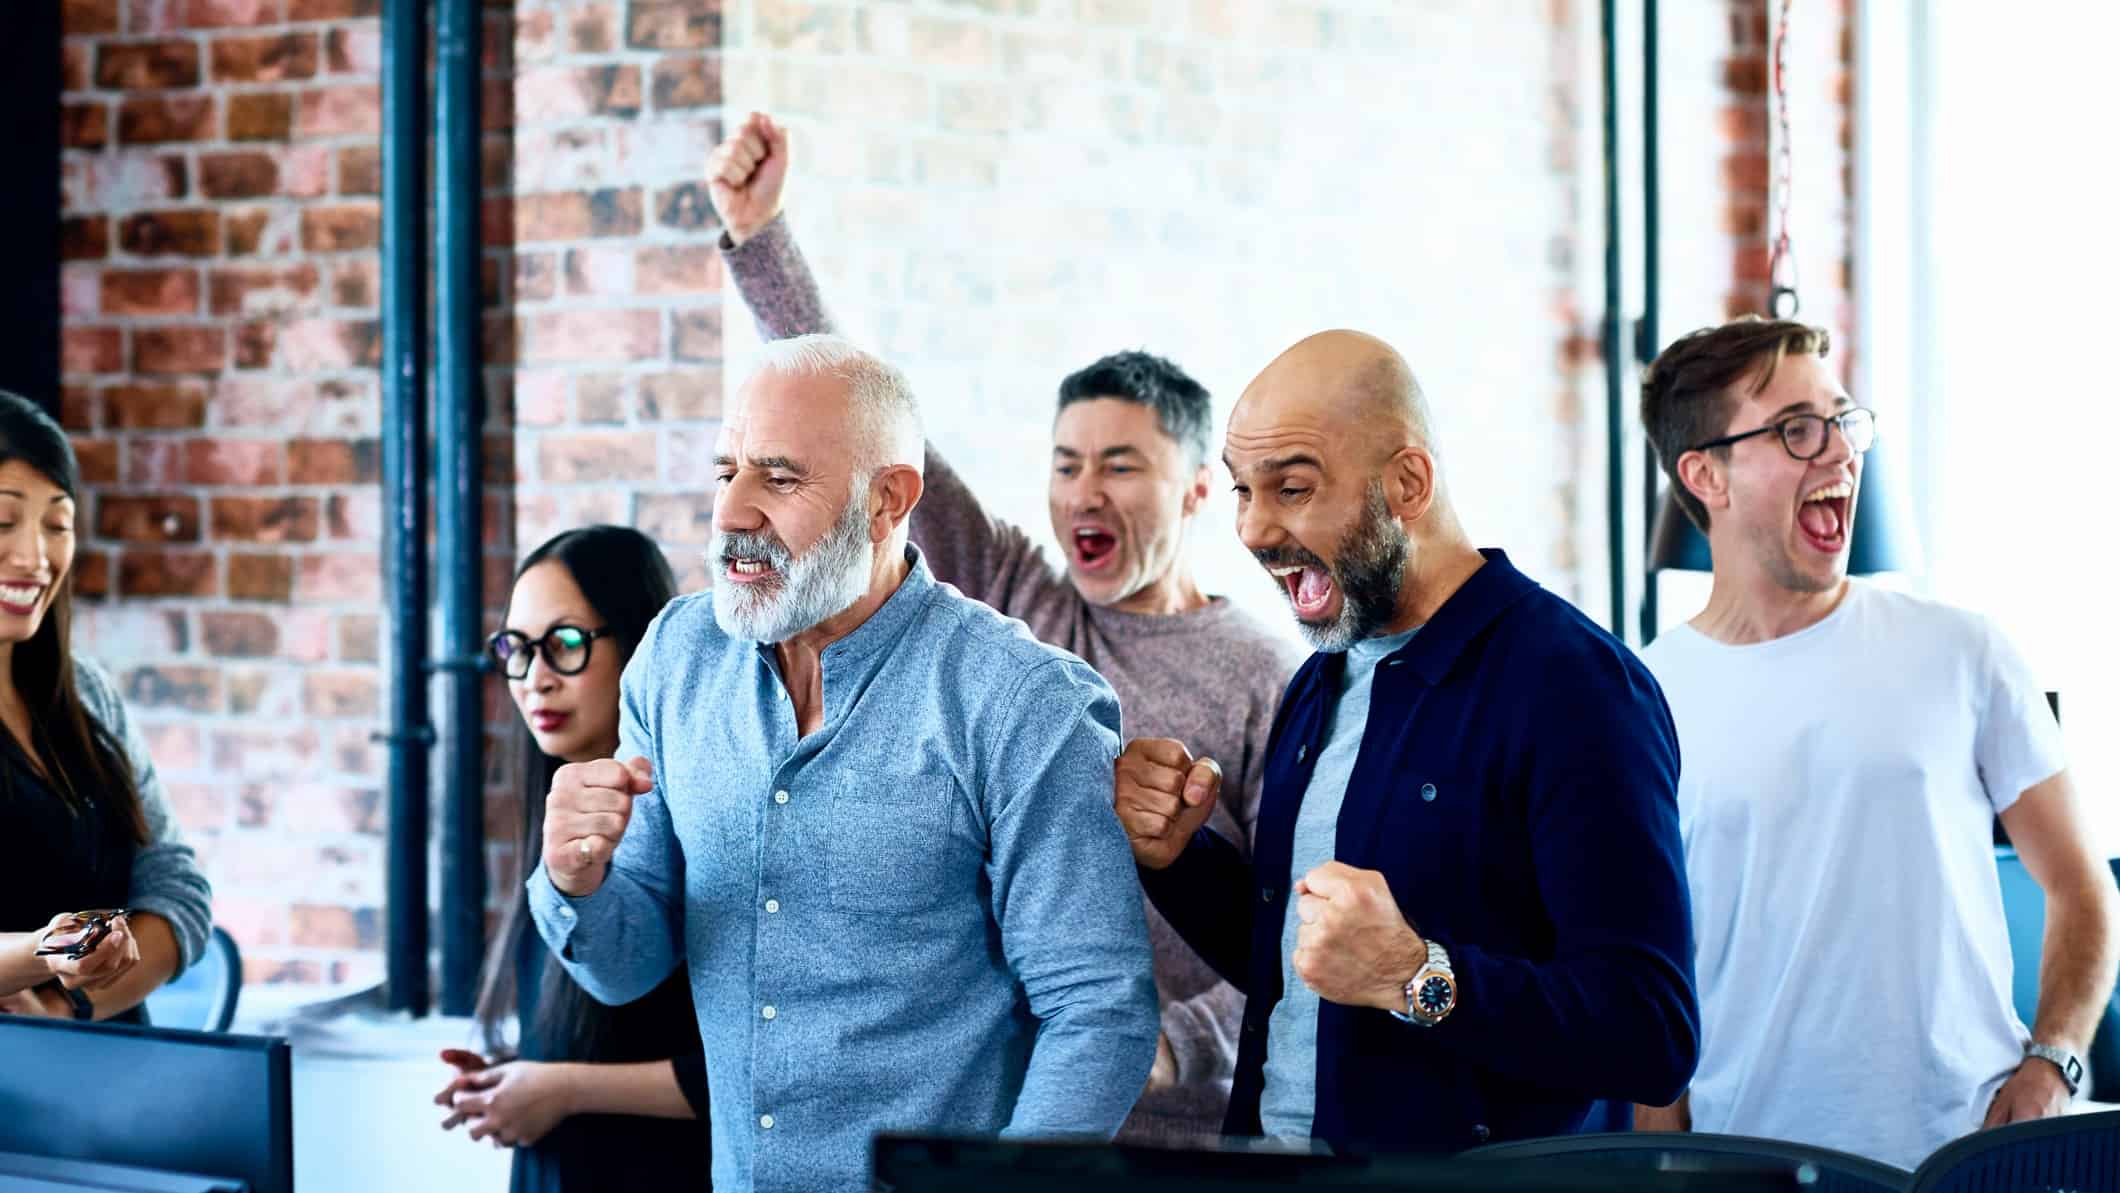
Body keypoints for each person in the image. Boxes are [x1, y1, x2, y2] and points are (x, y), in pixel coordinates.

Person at [705, 112, 1303, 1140]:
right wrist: (761, 239)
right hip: (1007, 1117)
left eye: (1119, 464)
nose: (1083, 488)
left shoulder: (1265, 675)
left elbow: (1295, 940)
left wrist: (1170, 1043)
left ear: (1199, 488)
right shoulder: (1017, 594)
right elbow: (862, 436)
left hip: (1186, 1135)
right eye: (1065, 462)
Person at [527, 336, 1159, 1193]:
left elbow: (1098, 1011)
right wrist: (574, 880)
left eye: (779, 479)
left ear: (888, 500)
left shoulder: (1020, 699)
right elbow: (628, 965)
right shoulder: (674, 658)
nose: (732, 513)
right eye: (726, 473)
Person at [1115, 331, 1699, 1153]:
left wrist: (1418, 977)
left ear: (1409, 484)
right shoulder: (1321, 679)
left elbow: (1653, 1033)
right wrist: (1179, 857)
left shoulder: (1576, 686)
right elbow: (1299, 967)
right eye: (1245, 491)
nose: (1252, 527)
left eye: (1292, 487)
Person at [1631, 316, 2119, 1167]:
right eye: (1795, 430)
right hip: (1751, 1166)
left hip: (1964, 1155)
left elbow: (2084, 887)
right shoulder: (1642, 695)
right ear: (1705, 474)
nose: (1840, 455)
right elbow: (1644, 960)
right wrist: (1666, 1156)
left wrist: (2054, 1061)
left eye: (1843, 421)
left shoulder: (1962, 648)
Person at [433, 527, 710, 1189]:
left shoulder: (689, 824)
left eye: (565, 644)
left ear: (639, 644)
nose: (536, 678)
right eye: (517, 649)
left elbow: (740, 1068)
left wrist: (563, 1087)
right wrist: (514, 1074)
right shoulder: (556, 817)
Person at [0, 389, 212, 1024]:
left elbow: (177, 888)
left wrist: (64, 1011)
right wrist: (45, 951)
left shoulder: (87, 694)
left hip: (104, 1072)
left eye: (57, 525)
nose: (35, 558)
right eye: (4, 521)